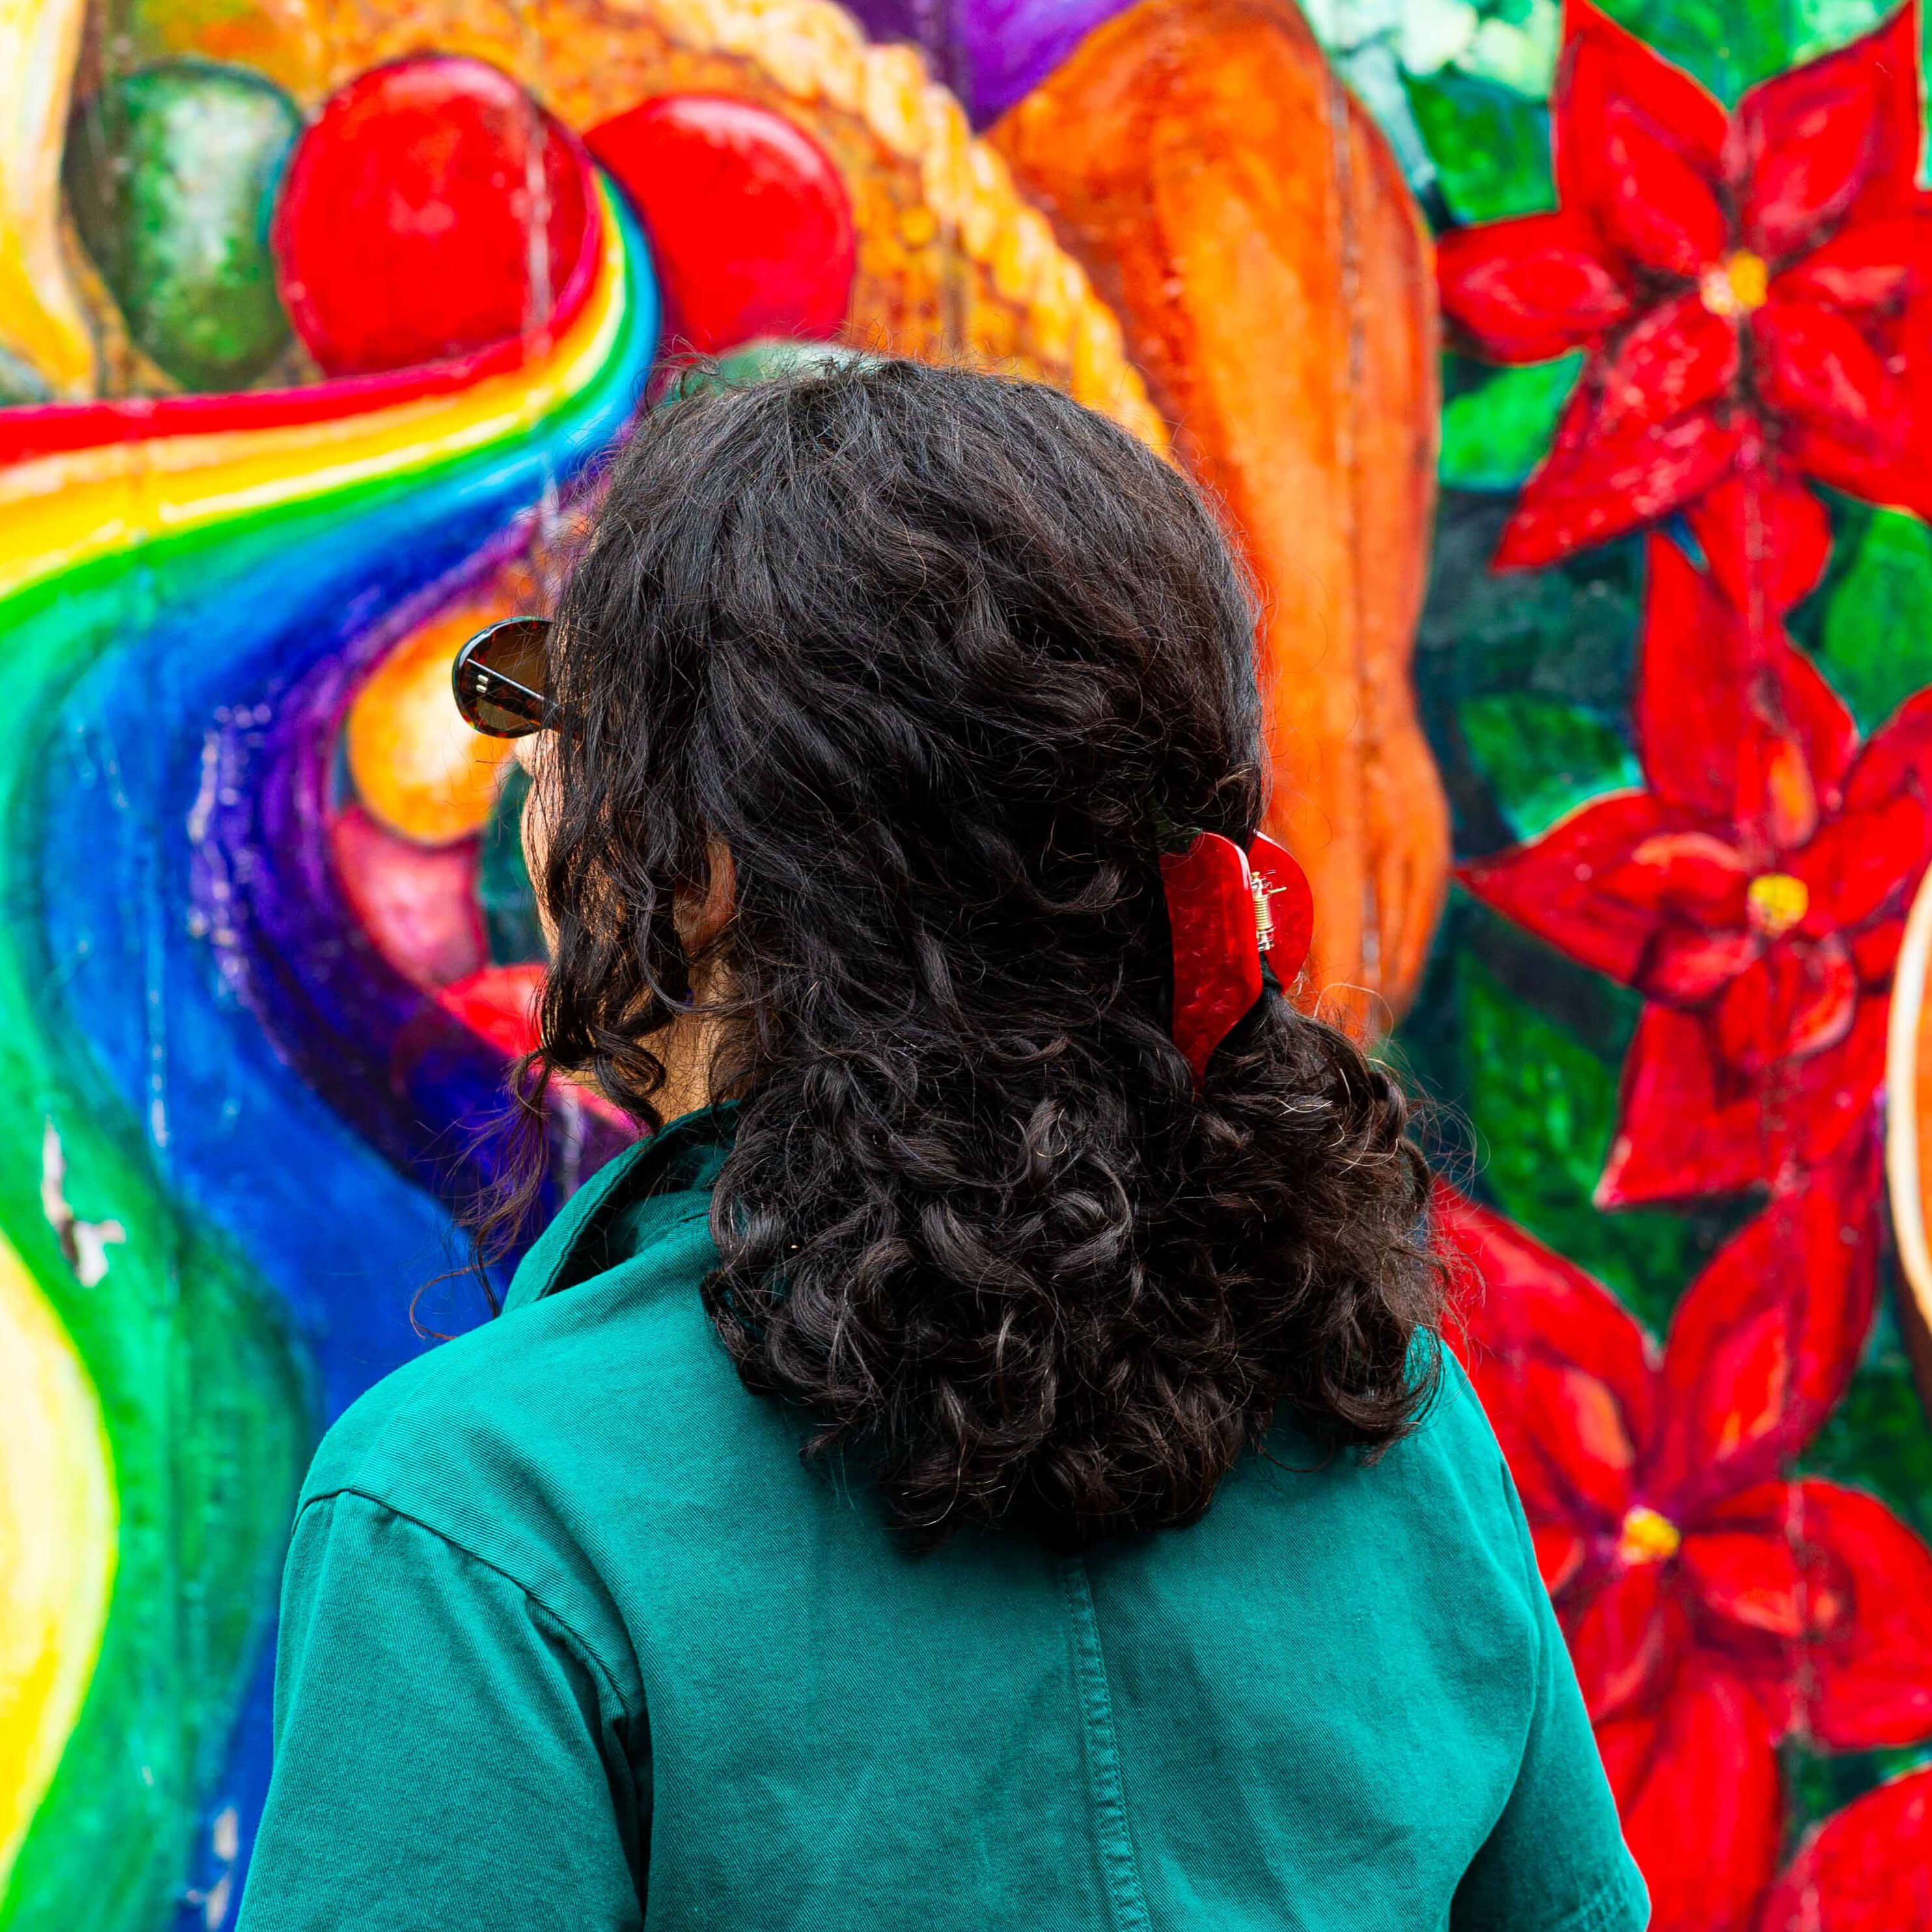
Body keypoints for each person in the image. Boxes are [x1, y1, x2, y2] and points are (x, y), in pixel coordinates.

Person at [236, 360, 1648, 1931]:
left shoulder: (475, 1507)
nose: (524, 775)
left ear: (697, 866)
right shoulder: (1385, 1410)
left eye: (558, 712)